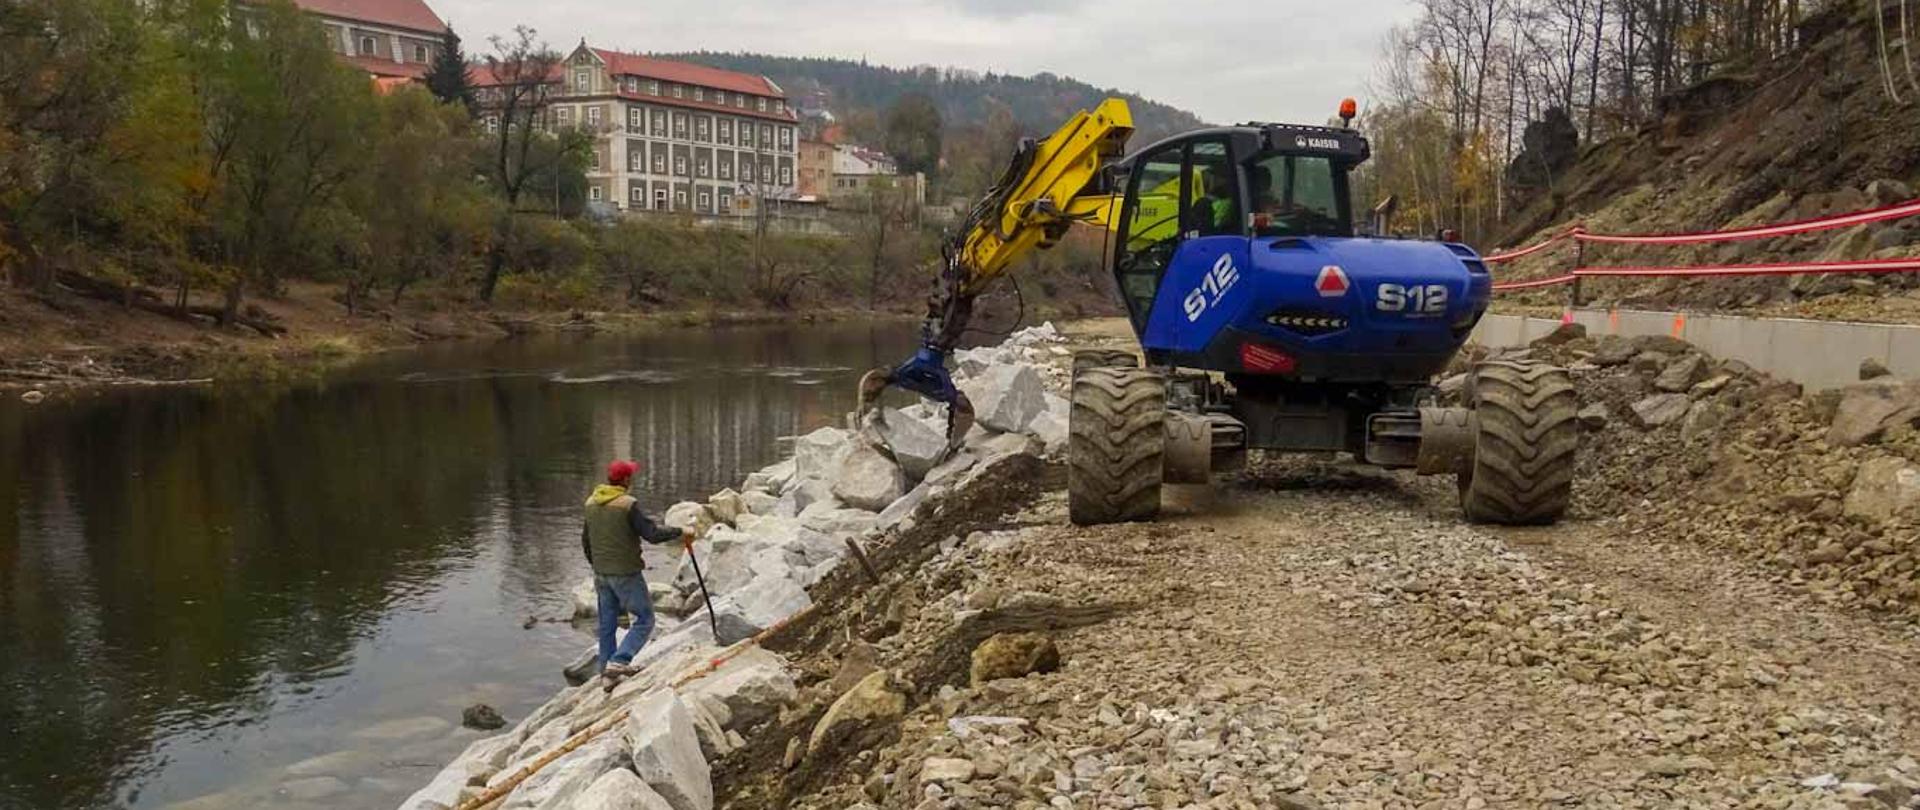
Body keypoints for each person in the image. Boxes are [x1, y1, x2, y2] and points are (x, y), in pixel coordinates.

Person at [581, 459, 689, 681]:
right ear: (626, 479)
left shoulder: (591, 503)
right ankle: (620, 661)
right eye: (631, 475)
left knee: (607, 623)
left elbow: (586, 541)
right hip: (626, 572)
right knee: (645, 619)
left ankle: (606, 672)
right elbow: (652, 534)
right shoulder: (627, 504)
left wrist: (597, 565)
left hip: (601, 573)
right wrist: (680, 531)